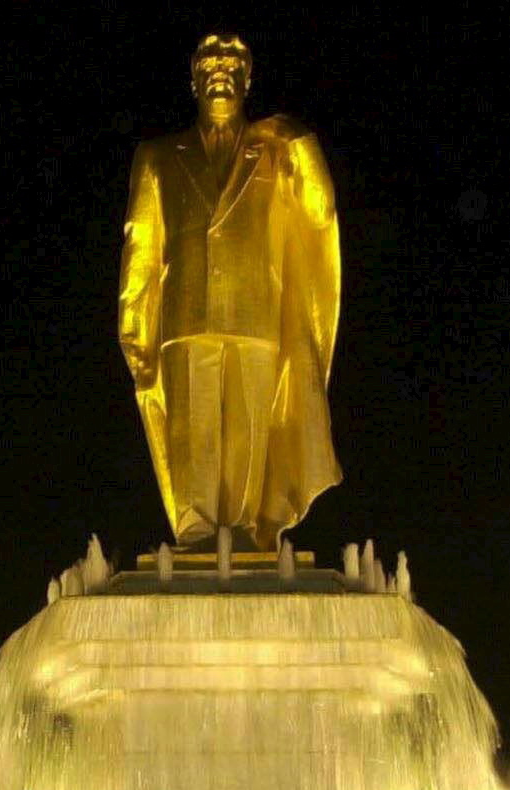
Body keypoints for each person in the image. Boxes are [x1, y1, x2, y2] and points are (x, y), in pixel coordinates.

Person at [117, 32, 341, 550]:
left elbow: (320, 211)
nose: (220, 72)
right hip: (184, 319)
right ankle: (195, 531)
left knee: (245, 435)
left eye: (232, 66)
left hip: (256, 316)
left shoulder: (276, 151)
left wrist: (300, 139)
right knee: (192, 435)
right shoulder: (156, 157)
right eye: (210, 65)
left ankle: (240, 529)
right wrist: (133, 329)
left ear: (247, 80)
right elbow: (141, 248)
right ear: (193, 80)